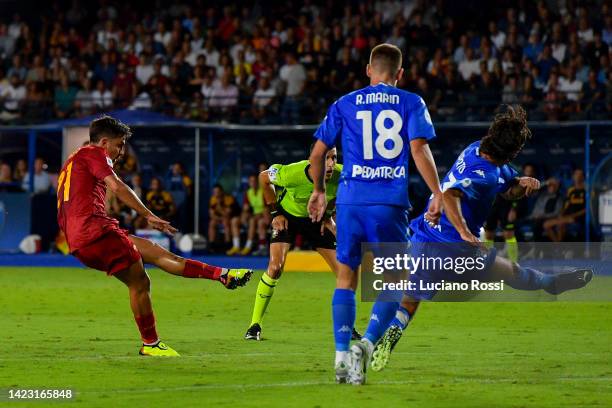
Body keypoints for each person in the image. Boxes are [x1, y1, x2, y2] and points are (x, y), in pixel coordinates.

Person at [368, 106, 592, 375]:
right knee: (511, 273)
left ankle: (384, 343)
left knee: (409, 300)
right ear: (511, 152)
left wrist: (524, 182)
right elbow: (450, 194)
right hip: (454, 247)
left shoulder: (476, 149)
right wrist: (464, 231)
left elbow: (508, 189)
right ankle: (551, 284)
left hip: (424, 238)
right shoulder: (484, 174)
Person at [56, 116, 252, 357]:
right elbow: (117, 187)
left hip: (82, 236)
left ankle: (223, 275)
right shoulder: (95, 154)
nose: (121, 152)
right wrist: (148, 215)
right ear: (104, 142)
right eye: (119, 145)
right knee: (140, 282)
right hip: (94, 232)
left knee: (156, 253)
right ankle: (150, 343)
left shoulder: (74, 158)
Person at [307, 44, 443, 384]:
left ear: (369, 69)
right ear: (400, 74)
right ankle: (365, 345)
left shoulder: (344, 103)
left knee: (345, 278)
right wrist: (438, 193)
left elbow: (318, 151)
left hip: (351, 202)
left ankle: (340, 357)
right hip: (389, 202)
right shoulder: (412, 102)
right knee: (395, 280)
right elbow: (419, 149)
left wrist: (319, 191)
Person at [244, 147, 360, 342]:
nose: (331, 164)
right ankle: (254, 325)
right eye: (326, 158)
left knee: (344, 273)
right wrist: (275, 213)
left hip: (315, 219)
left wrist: (328, 216)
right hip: (288, 217)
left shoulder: (342, 175)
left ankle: (347, 326)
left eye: (334, 158)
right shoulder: (292, 173)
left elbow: (337, 197)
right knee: (275, 267)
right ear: (312, 160)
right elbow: (264, 178)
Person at [227, 174, 269, 256]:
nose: (252, 183)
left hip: (265, 215)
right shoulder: (248, 193)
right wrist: (243, 216)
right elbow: (245, 208)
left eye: (254, 181)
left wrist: (256, 216)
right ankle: (236, 246)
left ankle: (248, 246)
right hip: (254, 215)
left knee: (253, 221)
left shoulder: (263, 191)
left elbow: (267, 209)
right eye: (251, 181)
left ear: (257, 182)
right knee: (234, 220)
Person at [543, 169, 586, 242]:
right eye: (576, 174)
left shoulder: (587, 190)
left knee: (560, 225)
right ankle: (558, 246)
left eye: (580, 175)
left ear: (583, 177)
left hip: (579, 217)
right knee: (546, 224)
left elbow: (587, 209)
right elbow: (566, 204)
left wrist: (574, 215)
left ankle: (559, 249)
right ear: (572, 176)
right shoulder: (570, 190)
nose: (577, 177)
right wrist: (561, 213)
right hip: (568, 216)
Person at [208, 184, 240, 249]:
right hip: (220, 218)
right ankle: (211, 245)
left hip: (232, 217)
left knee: (225, 222)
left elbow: (227, 214)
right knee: (212, 223)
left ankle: (227, 244)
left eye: (217, 192)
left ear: (222, 192)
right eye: (214, 192)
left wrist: (219, 206)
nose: (216, 194)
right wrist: (219, 218)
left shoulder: (228, 198)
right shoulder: (212, 199)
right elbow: (211, 215)